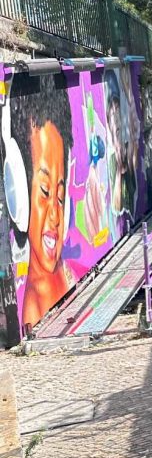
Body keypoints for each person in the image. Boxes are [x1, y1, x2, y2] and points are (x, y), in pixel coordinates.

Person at [7, 74, 75, 329]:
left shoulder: (66, 272)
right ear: (20, 190)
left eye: (59, 196)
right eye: (45, 192)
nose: (56, 216)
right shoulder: (33, 311)